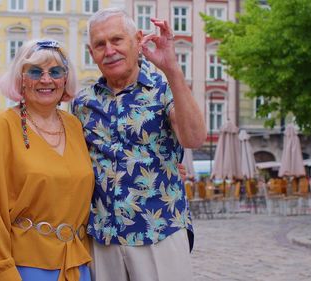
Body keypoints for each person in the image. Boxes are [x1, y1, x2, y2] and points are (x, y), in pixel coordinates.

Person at [72, 8, 206, 281]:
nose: (109, 50)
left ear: (137, 40)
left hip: (159, 231)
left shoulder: (163, 88)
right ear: (91, 52)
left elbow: (194, 138)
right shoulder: (82, 104)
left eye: (117, 40)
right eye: (100, 44)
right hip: (103, 239)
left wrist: (172, 68)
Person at [0, 39, 94, 281]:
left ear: (65, 79)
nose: (46, 79)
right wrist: (1, 270)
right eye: (36, 71)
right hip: (25, 267)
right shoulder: (2, 125)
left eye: (56, 72)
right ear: (21, 79)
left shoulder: (74, 125)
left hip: (77, 265)